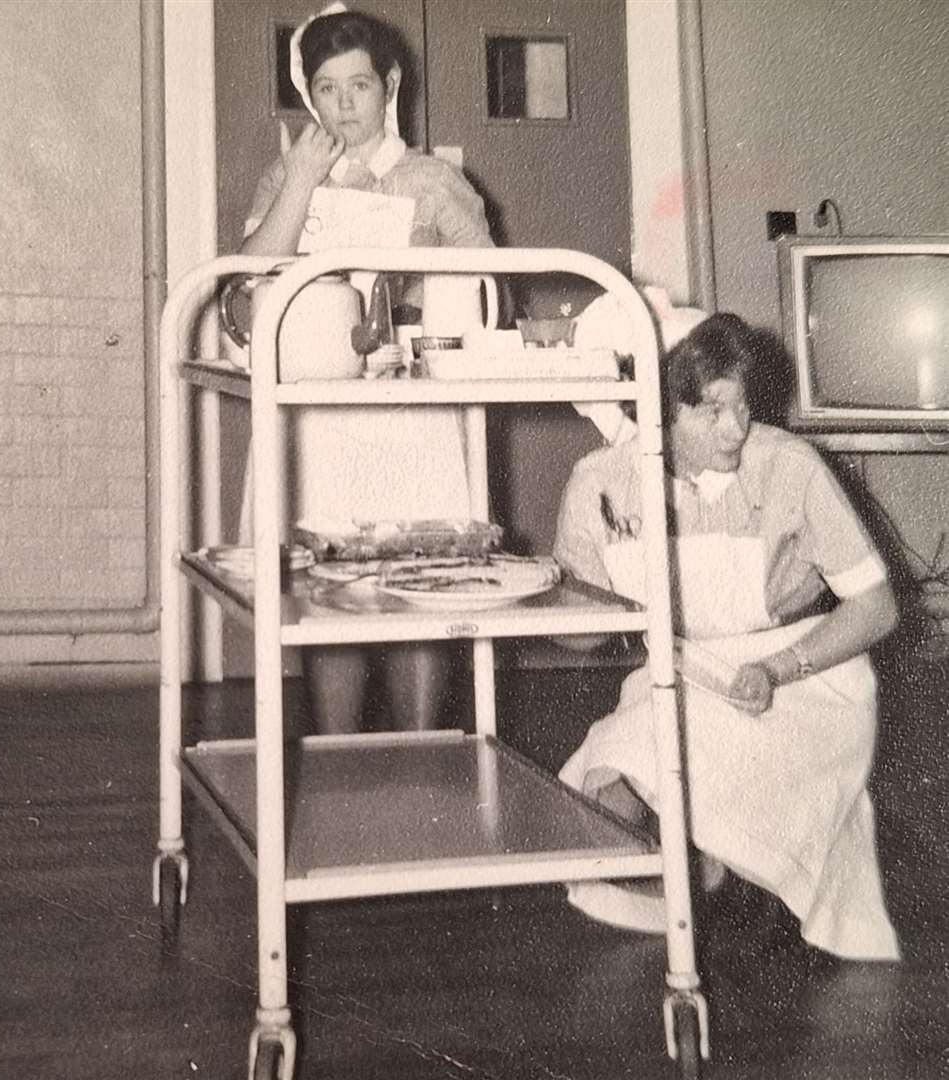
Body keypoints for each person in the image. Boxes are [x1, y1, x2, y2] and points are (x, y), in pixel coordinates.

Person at [553, 312, 901, 966]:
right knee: (603, 784)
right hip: (682, 676)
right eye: (709, 411)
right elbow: (581, 637)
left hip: (805, 679)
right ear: (654, 405)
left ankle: (736, 871)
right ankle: (705, 871)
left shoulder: (787, 467)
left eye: (741, 407)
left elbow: (876, 608)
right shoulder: (598, 482)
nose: (734, 429)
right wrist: (552, 598)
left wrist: (775, 669)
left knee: (711, 777)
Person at [241, 4, 495, 734]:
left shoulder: (432, 180)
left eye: (358, 85)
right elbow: (249, 276)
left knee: (420, 573)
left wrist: (422, 309)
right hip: (319, 408)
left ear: (389, 85)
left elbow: (487, 288)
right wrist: (299, 183)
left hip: (409, 408)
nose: (344, 104)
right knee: (329, 582)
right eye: (326, 89)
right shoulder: (286, 174)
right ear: (309, 95)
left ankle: (423, 749)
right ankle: (337, 755)